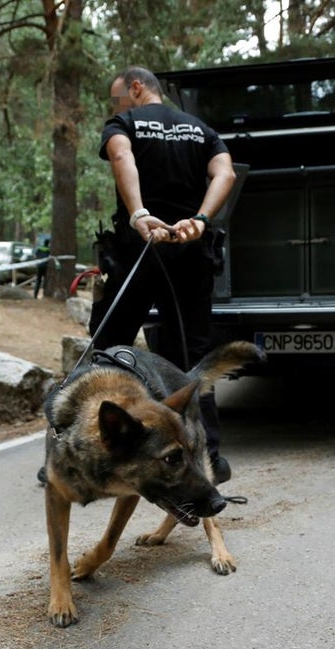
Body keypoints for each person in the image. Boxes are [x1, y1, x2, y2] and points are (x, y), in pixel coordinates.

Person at [92, 65, 237, 481]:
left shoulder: (124, 122)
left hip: (140, 251)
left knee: (109, 349)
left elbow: (121, 155)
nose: (113, 105)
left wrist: (139, 213)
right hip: (190, 255)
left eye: (116, 95)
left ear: (136, 88)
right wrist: (200, 220)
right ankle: (209, 457)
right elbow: (225, 173)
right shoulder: (200, 129)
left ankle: (98, 451)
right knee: (190, 357)